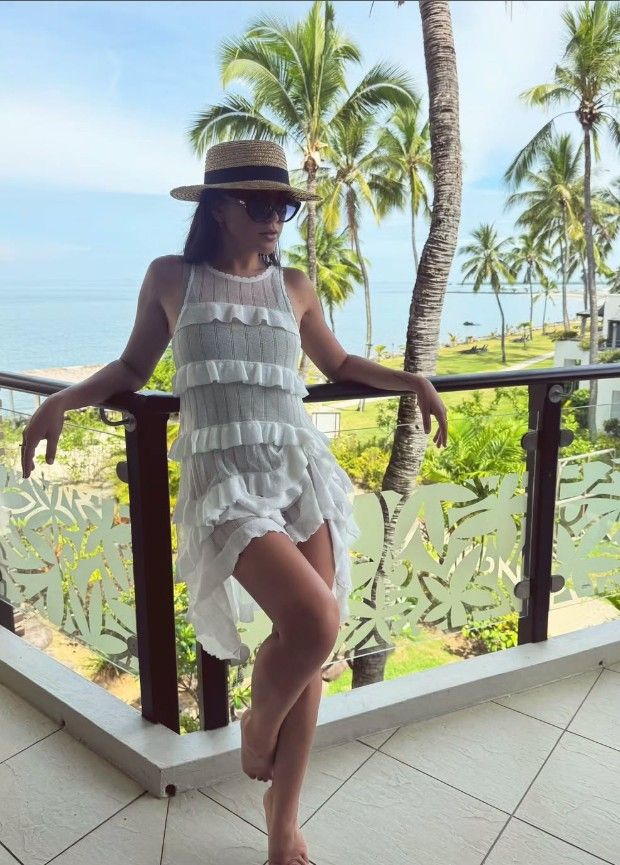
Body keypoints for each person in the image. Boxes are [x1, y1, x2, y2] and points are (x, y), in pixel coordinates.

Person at [20, 138, 448, 865]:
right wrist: (63, 397)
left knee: (312, 643)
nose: (275, 217)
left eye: (283, 205)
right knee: (315, 621)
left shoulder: (296, 285)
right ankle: (258, 728)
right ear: (218, 208)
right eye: (259, 204)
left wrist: (413, 380)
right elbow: (132, 368)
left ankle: (283, 824)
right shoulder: (172, 277)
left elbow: (338, 362)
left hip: (298, 469)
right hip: (224, 481)